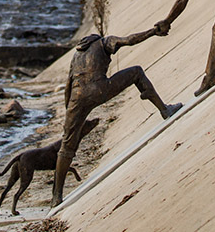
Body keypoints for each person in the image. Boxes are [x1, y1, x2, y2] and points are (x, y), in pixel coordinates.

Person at [52, 29, 181, 207]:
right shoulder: (104, 42)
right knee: (136, 72)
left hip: (77, 97)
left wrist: (69, 114)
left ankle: (56, 196)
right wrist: (153, 32)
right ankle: (164, 110)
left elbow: (68, 85)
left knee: (66, 145)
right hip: (99, 89)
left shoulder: (76, 55)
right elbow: (129, 40)